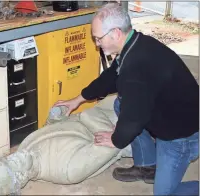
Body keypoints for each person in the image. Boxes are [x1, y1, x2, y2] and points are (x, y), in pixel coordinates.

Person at [54, 2, 199, 195]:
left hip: (181, 134)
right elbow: (110, 78)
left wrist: (116, 140)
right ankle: (148, 165)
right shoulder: (134, 44)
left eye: (98, 39)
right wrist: (78, 99)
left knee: (164, 194)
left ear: (115, 33)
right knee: (120, 103)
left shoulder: (136, 67)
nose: (96, 44)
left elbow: (134, 118)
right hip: (167, 109)